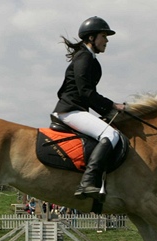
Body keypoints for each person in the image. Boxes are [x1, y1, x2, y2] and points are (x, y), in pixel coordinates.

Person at [52, 16, 125, 201]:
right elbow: (86, 93)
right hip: (70, 110)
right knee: (111, 135)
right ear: (91, 38)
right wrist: (112, 105)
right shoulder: (84, 58)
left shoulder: (90, 59)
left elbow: (88, 95)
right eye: (103, 36)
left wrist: (109, 112)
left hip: (76, 109)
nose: (107, 40)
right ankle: (88, 182)